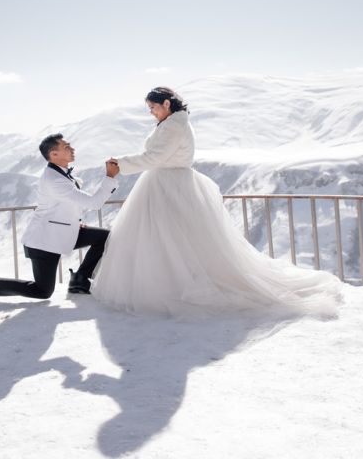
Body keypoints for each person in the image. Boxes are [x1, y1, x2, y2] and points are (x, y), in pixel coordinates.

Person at [91, 87, 343, 318]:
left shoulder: (173, 127)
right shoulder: (170, 124)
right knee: (171, 238)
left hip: (169, 184)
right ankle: (173, 283)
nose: (151, 113)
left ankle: (174, 286)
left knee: (171, 237)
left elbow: (157, 157)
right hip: (165, 184)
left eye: (153, 107)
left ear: (166, 104)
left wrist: (120, 164)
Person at [0, 133, 120, 304]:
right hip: (43, 242)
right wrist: (110, 177)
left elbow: (64, 205)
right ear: (54, 154)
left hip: (63, 232)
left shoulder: (60, 174)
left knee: (104, 237)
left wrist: (75, 222)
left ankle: (80, 279)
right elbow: (94, 203)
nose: (73, 149)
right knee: (42, 291)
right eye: (67, 147)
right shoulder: (54, 180)